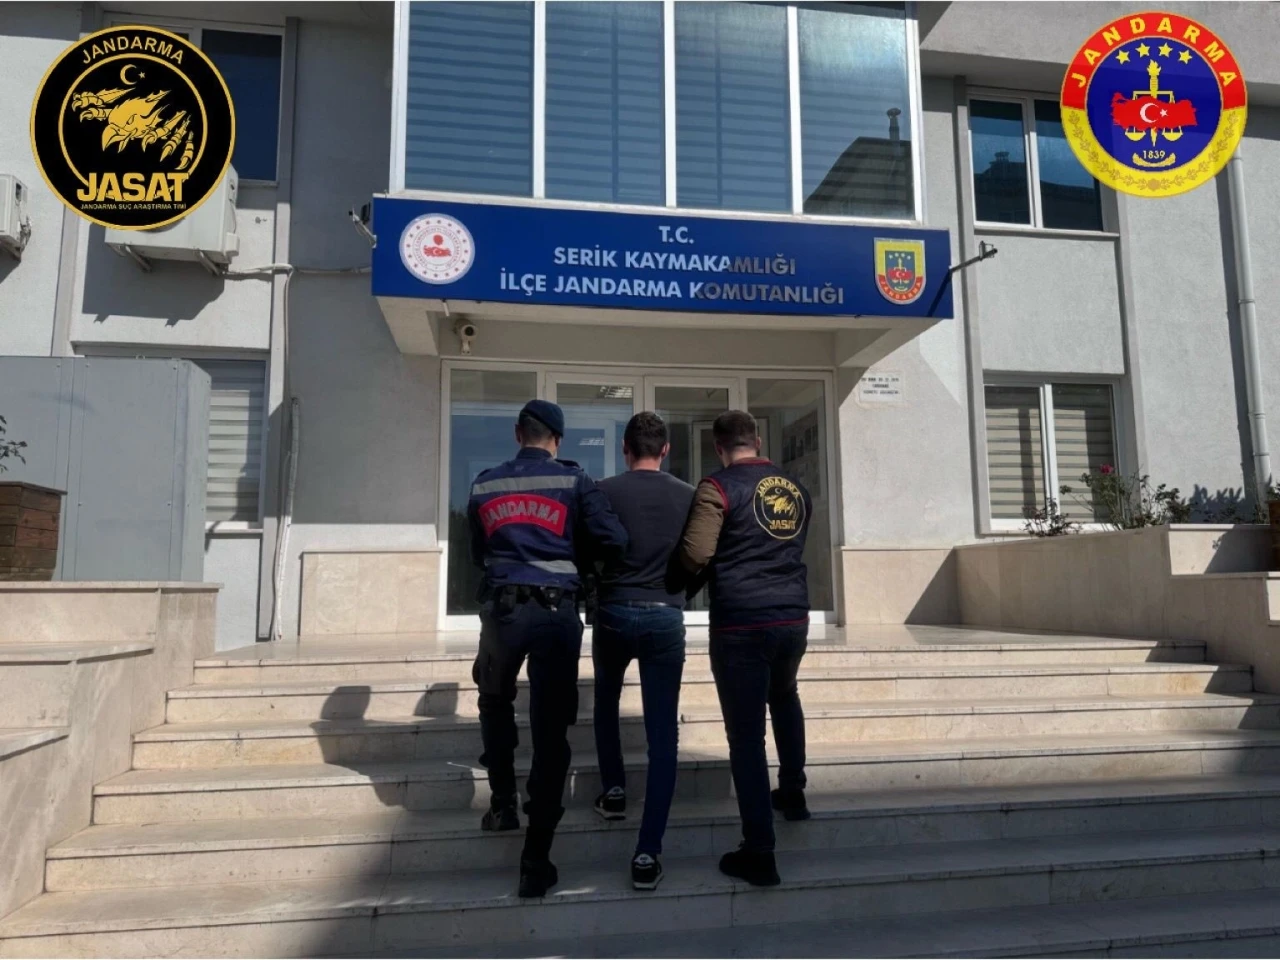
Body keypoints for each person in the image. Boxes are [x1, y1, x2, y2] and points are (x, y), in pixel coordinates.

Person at [467, 399, 628, 898]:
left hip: (502, 611)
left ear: (518, 434)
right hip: (556, 614)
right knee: (550, 730)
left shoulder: (485, 483)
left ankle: (502, 803)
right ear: (557, 440)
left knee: (494, 700)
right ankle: (536, 859)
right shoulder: (576, 481)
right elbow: (614, 539)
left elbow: (477, 551)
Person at [677, 409, 813, 887]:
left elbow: (697, 551)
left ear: (718, 447)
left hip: (742, 622)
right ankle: (792, 793)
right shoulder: (794, 487)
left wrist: (674, 583)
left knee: (746, 736)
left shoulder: (717, 487)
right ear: (757, 440)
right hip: (793, 617)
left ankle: (759, 850)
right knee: (786, 697)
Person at [589, 412, 696, 891]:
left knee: (605, 702)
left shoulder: (602, 492)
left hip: (613, 610)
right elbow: (700, 554)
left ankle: (614, 790)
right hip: (664, 615)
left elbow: (587, 550)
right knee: (663, 736)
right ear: (666, 449)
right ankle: (648, 851)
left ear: (625, 449)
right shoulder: (689, 496)